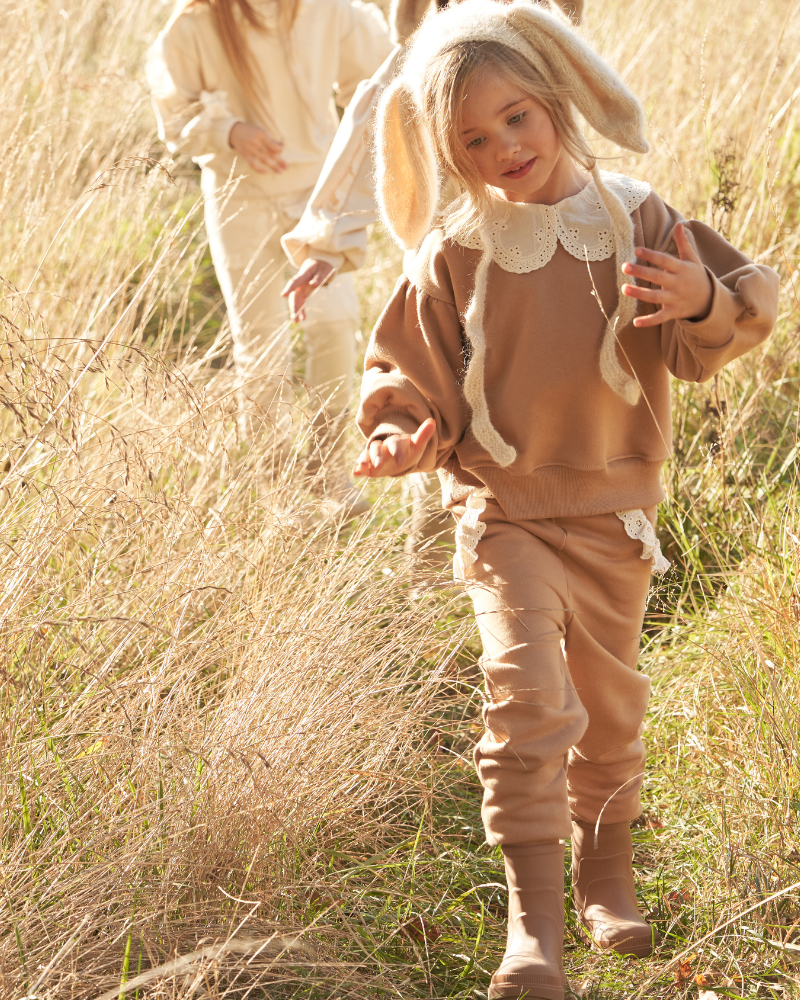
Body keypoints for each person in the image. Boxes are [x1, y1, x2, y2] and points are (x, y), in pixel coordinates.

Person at [352, 1, 779, 996]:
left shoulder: (630, 215)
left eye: (515, 118)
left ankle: (605, 871)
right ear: (445, 155)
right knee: (526, 694)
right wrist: (399, 429)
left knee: (605, 703)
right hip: (503, 509)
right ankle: (530, 923)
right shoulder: (452, 251)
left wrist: (702, 303)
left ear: (553, 102)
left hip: (611, 509)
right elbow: (406, 370)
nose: (502, 146)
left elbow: (737, 306)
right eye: (472, 138)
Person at [280, 0, 582, 581]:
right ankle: (436, 595)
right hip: (453, 285)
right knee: (444, 419)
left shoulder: (531, 46)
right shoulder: (429, 51)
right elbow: (375, 124)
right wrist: (326, 242)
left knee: (539, 421)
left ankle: (564, 567)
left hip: (544, 277)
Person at [146, 0, 392, 512]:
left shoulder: (331, 12)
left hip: (318, 193)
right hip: (239, 194)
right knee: (262, 347)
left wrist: (362, 140)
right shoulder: (195, 23)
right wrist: (229, 131)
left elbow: (377, 83)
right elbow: (173, 112)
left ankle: (329, 476)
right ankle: (278, 492)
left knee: (335, 324)